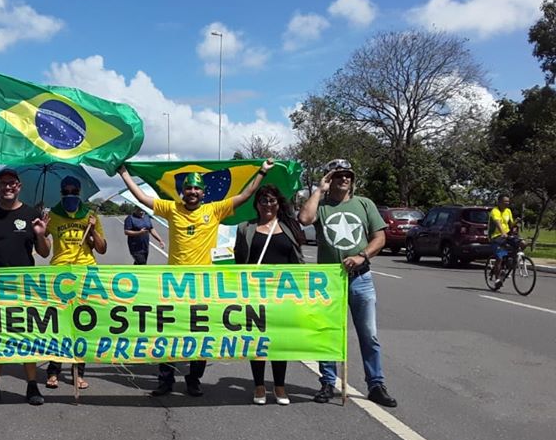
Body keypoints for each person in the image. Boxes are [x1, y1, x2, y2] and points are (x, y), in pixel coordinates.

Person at [118, 159, 275, 396]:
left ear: (203, 192)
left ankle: (193, 379)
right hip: (174, 285)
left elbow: (245, 195)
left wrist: (262, 171)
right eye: (188, 188)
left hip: (203, 285)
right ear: (182, 191)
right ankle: (166, 380)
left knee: (200, 334)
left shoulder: (214, 210)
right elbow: (142, 198)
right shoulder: (171, 209)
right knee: (168, 333)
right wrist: (123, 173)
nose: (192, 192)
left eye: (197, 188)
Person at [298, 158, 395, 407]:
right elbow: (305, 219)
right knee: (328, 334)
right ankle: (328, 382)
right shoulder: (321, 206)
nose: (344, 179)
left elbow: (379, 237)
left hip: (360, 278)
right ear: (329, 179)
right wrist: (319, 190)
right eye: (337, 175)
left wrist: (362, 256)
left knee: (369, 335)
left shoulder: (364, 204)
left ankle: (376, 384)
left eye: (348, 175)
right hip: (328, 282)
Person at [0, 167, 51, 406]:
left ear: (19, 186)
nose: (7, 187)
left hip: (24, 286)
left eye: (12, 183)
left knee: (26, 335)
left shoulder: (31, 214)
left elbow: (45, 252)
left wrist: (40, 234)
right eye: (3, 183)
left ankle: (32, 385)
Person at [233, 185, 305, 406]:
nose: (268, 205)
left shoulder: (289, 227)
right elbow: (239, 260)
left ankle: (280, 386)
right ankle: (259, 385)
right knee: (258, 341)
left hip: (283, 296)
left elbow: (297, 259)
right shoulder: (246, 228)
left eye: (272, 201)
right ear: (256, 204)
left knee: (279, 340)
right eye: (263, 201)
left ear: (278, 204)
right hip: (255, 294)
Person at [44, 175, 107, 391]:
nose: (70, 194)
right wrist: (41, 229)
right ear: (61, 193)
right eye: (66, 191)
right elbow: (42, 247)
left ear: (79, 192)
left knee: (81, 325)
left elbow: (102, 248)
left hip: (85, 271)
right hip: (60, 272)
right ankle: (53, 370)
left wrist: (92, 231)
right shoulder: (52, 214)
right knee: (59, 323)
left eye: (73, 191)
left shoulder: (90, 215)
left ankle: (79, 372)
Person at [488, 194, 519, 282]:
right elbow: (498, 223)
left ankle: (508, 264)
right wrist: (503, 232)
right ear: (499, 202)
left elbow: (510, 225)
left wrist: (516, 222)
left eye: (508, 202)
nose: (507, 203)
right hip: (496, 236)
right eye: (505, 202)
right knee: (499, 258)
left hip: (506, 234)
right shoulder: (495, 211)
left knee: (522, 243)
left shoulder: (508, 211)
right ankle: (497, 279)